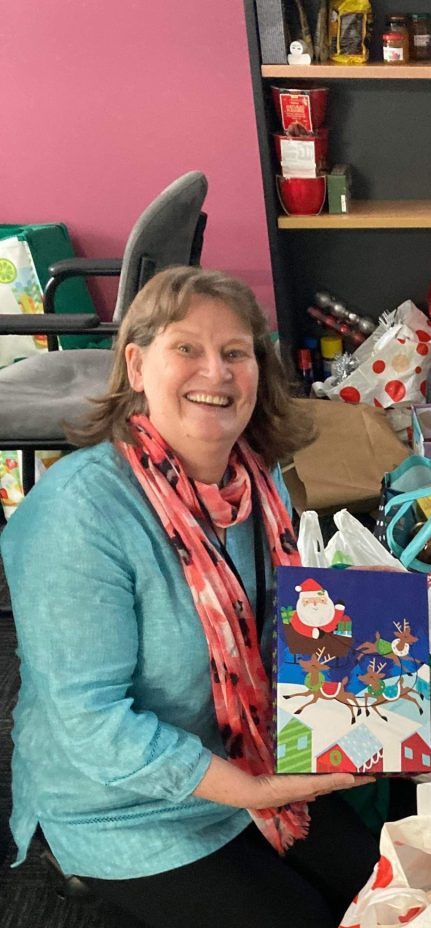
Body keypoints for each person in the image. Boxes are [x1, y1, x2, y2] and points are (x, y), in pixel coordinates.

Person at [1, 266, 380, 928]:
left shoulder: (256, 482)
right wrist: (251, 790)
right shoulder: (79, 515)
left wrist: (368, 700)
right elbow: (91, 725)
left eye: (236, 352)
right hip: (123, 800)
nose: (218, 371)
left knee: (386, 884)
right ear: (137, 365)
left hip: (246, 747)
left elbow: (276, 630)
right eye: (187, 349)